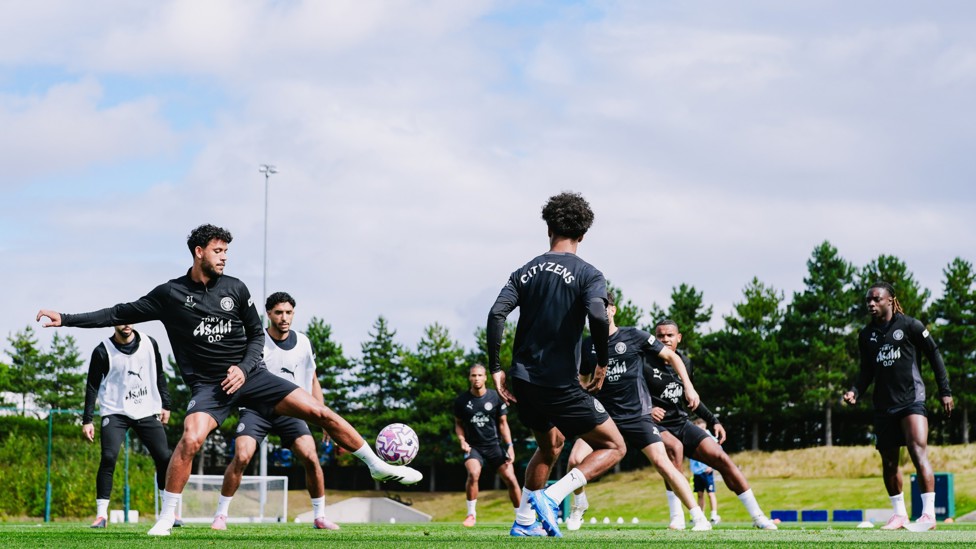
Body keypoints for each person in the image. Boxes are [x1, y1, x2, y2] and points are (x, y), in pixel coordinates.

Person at [37, 224, 421, 537]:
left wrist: (244, 367)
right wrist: (66, 317)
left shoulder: (236, 288)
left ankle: (374, 464)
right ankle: (168, 516)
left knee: (320, 411)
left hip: (252, 376)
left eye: (227, 253)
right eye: (219, 251)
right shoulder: (169, 294)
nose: (224, 258)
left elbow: (256, 335)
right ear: (199, 251)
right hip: (208, 386)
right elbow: (118, 311)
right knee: (190, 439)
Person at [487, 191, 636, 538]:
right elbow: (599, 314)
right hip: (558, 384)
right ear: (583, 234)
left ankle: (524, 523)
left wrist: (496, 367)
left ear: (549, 228)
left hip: (524, 381)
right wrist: (602, 361)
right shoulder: (589, 274)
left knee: (550, 445)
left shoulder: (524, 271)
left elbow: (497, 313)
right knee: (615, 446)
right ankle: (552, 498)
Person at [566, 293, 711, 532]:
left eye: (602, 308)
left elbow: (672, 356)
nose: (597, 313)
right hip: (603, 417)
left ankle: (699, 517)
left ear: (612, 310)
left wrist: (689, 385)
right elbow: (582, 379)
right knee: (574, 459)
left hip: (636, 415)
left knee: (664, 463)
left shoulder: (634, 336)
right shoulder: (587, 344)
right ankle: (578, 506)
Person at [211, 292, 338, 531]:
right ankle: (220, 515)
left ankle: (320, 516)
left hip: (291, 412)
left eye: (288, 312)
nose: (284, 318)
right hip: (256, 410)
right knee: (242, 456)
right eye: (278, 312)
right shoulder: (256, 342)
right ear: (268, 314)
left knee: (311, 456)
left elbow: (312, 380)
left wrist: (322, 416)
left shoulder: (303, 343)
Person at [843, 281, 953, 531]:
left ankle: (927, 515)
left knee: (917, 450)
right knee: (890, 462)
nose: (871, 303)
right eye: (868, 300)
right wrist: (855, 392)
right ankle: (900, 515)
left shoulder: (911, 325)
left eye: (877, 299)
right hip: (884, 406)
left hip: (912, 400)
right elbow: (866, 372)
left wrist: (945, 391)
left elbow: (935, 355)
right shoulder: (866, 336)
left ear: (890, 300)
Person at [648, 319, 777, 530]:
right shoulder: (644, 361)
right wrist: (648, 409)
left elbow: (692, 398)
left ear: (678, 338)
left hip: (681, 423)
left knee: (721, 457)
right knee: (674, 449)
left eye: (669, 335)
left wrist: (713, 420)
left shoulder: (685, 363)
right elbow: (631, 393)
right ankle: (677, 517)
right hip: (656, 426)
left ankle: (758, 516)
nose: (665, 339)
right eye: (660, 335)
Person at [82, 324, 174, 529]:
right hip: (115, 411)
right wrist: (87, 419)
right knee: (108, 457)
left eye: (130, 320)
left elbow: (159, 373)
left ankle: (168, 513)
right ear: (114, 323)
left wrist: (166, 404)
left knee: (164, 457)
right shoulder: (102, 351)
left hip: (146, 409)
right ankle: (100, 515)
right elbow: (92, 386)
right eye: (122, 320)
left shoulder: (150, 343)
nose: (126, 324)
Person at [454, 363, 522, 527]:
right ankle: (471, 514)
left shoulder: (495, 397)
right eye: (473, 375)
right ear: (469, 378)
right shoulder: (461, 401)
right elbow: (458, 424)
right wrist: (462, 441)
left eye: (479, 375)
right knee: (473, 473)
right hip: (474, 447)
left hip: (494, 446)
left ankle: (522, 518)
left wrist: (510, 446)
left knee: (511, 479)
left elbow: (503, 424)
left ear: (485, 377)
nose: (476, 378)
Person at [687, 418, 719, 525]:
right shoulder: (692, 438)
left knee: (710, 494)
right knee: (700, 494)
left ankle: (714, 515)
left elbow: (717, 451)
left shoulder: (710, 438)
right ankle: (700, 516)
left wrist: (712, 465)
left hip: (707, 471)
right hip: (697, 472)